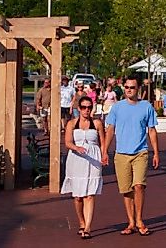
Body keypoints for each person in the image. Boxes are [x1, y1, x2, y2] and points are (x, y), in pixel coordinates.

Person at [103, 75, 160, 236]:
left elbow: (152, 130)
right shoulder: (117, 107)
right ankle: (131, 222)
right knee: (126, 190)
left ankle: (140, 219)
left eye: (132, 87)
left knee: (139, 186)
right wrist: (104, 151)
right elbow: (110, 130)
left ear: (138, 89)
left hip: (140, 152)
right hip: (121, 154)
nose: (129, 90)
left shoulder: (146, 107)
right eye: (126, 87)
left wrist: (156, 152)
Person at [63, 95, 106, 239]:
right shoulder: (71, 123)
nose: (86, 110)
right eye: (83, 107)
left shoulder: (97, 123)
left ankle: (87, 227)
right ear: (79, 108)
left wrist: (104, 154)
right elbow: (67, 142)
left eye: (89, 107)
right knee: (78, 197)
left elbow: (103, 141)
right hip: (76, 159)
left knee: (90, 194)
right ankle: (81, 221)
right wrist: (76, 147)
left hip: (93, 159)